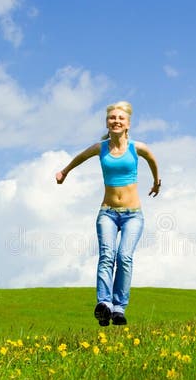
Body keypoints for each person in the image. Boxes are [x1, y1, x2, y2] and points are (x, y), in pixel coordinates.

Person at [56, 101, 161, 326]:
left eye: (120, 118)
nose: (116, 121)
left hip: (133, 214)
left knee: (124, 257)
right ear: (107, 122)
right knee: (107, 256)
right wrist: (64, 172)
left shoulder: (137, 147)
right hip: (107, 213)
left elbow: (152, 159)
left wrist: (156, 182)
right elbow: (80, 158)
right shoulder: (100, 148)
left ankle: (119, 307)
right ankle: (104, 305)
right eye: (112, 118)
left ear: (128, 124)